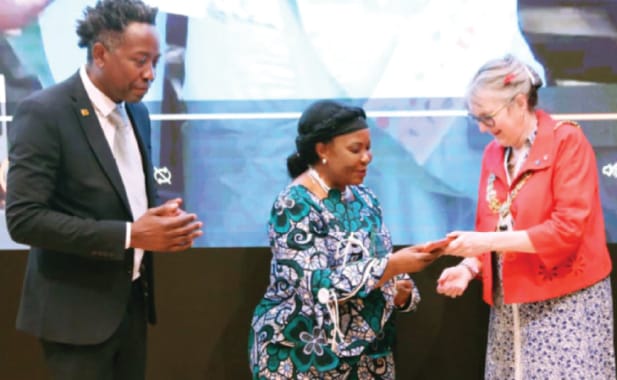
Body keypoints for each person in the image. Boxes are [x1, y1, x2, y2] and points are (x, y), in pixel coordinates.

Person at [5, 1, 203, 379]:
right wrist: (131, 235)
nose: (150, 74)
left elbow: (126, 196)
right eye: (140, 61)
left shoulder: (138, 112)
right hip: (74, 318)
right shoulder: (45, 112)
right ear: (100, 53)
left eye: (155, 62)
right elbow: (24, 219)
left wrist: (163, 219)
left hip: (130, 307)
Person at [436, 55, 616, 379]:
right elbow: (491, 226)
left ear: (520, 102)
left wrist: (485, 241)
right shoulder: (494, 153)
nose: (481, 128)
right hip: (512, 305)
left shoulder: (566, 141)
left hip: (566, 303)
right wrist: (468, 266)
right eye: (475, 118)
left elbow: (566, 230)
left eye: (488, 117)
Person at [248, 100, 446, 379]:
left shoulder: (366, 198)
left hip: (368, 359)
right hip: (304, 358)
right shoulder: (294, 204)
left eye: (368, 148)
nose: (367, 157)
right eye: (356, 149)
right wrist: (392, 266)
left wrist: (402, 290)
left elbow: (380, 263)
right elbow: (316, 288)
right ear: (322, 149)